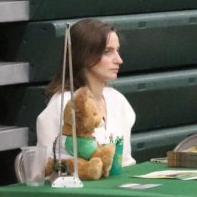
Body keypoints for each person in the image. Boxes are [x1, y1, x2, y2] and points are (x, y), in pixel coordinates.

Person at [34, 18, 136, 177]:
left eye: (118, 50)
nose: (119, 60)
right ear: (85, 55)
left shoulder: (118, 101)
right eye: (108, 52)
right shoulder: (63, 104)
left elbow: (126, 163)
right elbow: (46, 172)